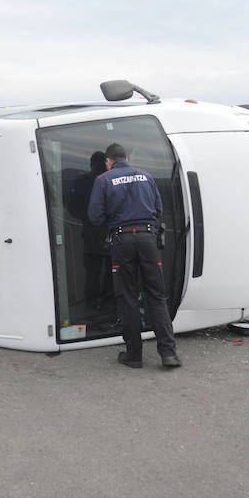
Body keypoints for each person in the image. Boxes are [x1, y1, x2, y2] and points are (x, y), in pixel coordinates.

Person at [87, 143, 181, 368]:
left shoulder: (103, 180)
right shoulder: (146, 176)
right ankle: (168, 354)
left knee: (127, 296)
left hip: (122, 241)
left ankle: (134, 355)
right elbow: (158, 209)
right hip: (148, 239)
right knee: (156, 296)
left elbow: (95, 217)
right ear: (126, 158)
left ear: (108, 161)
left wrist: (115, 221)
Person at [66, 151, 113, 311]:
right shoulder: (110, 180)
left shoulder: (82, 181)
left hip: (90, 233)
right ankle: (108, 306)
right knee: (111, 273)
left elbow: (72, 206)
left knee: (92, 273)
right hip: (110, 233)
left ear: (91, 164)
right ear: (106, 163)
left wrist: (84, 217)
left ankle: (91, 307)